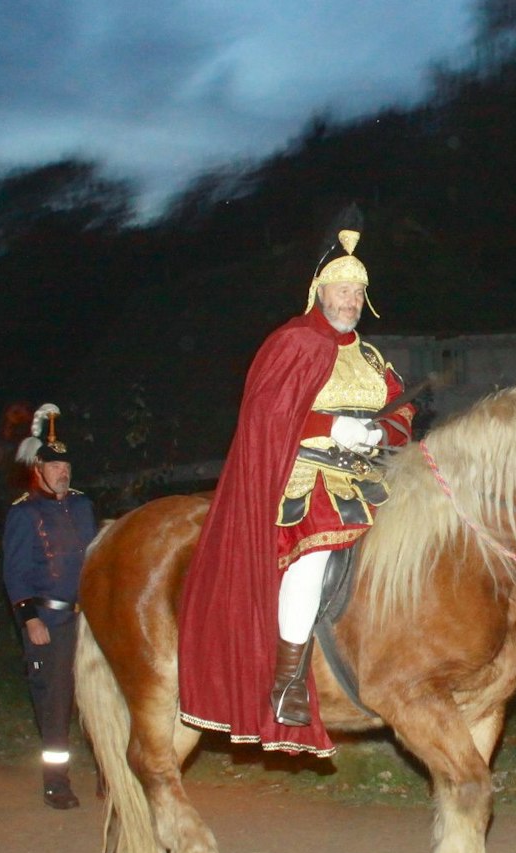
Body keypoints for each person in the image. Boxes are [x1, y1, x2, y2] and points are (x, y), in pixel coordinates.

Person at [177, 205, 415, 755]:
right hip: (305, 476)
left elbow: (401, 410)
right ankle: (287, 681)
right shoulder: (294, 342)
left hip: (368, 477)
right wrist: (332, 426)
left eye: (358, 293)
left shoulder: (371, 356)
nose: (350, 301)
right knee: (314, 556)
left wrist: (378, 432)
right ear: (319, 292)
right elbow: (266, 415)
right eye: (342, 291)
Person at [3, 407, 96, 808]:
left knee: (95, 696)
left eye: (67, 466)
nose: (63, 473)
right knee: (55, 705)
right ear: (38, 469)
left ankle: (107, 774)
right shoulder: (24, 512)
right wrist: (30, 619)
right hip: (49, 621)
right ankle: (56, 782)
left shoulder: (81, 506)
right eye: (55, 466)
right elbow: (15, 572)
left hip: (86, 619)